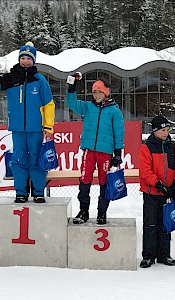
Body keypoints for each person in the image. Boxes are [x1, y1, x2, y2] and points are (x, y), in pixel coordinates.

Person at [0, 42, 55, 203]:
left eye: (28, 59)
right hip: (17, 128)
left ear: (33, 60)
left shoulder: (39, 80)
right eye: (22, 58)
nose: (25, 61)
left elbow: (48, 104)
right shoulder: (11, 78)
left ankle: (38, 192)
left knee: (37, 159)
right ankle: (21, 192)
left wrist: (48, 126)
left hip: (36, 128)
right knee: (19, 159)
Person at [66, 76, 124, 225]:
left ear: (106, 93)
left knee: (105, 183)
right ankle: (83, 211)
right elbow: (71, 102)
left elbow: (119, 133)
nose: (97, 95)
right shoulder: (87, 107)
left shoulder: (114, 111)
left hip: (105, 153)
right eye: (94, 92)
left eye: (100, 92)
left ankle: (101, 213)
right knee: (85, 180)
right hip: (88, 151)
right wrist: (72, 87)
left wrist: (118, 153)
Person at [138, 116, 175, 268]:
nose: (165, 133)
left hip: (167, 193)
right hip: (151, 192)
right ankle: (148, 256)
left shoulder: (172, 146)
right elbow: (145, 170)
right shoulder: (147, 147)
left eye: (167, 130)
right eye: (162, 130)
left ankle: (164, 254)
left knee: (165, 224)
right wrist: (157, 184)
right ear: (155, 131)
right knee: (150, 224)